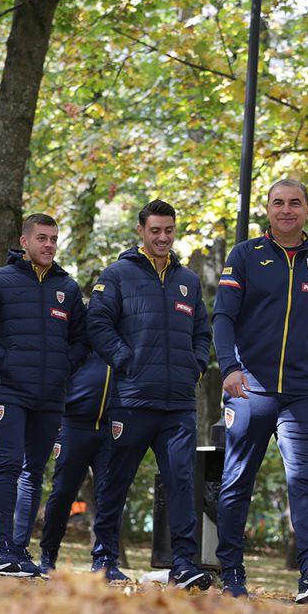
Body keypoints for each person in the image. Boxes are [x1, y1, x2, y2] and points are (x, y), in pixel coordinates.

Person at [213, 179, 308, 603]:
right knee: (237, 480)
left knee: (305, 478)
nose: (286, 210)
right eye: (277, 204)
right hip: (250, 387)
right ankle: (231, 571)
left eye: (294, 203)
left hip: (304, 393)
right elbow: (222, 318)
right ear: (267, 211)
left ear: (307, 210)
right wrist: (230, 368)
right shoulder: (245, 256)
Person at [87, 199, 213, 588]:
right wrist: (126, 361)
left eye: (168, 230)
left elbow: (203, 333)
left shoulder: (187, 281)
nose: (162, 237)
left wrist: (195, 364)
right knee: (116, 479)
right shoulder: (119, 275)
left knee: (181, 480)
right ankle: (104, 559)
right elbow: (98, 322)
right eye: (155, 230)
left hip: (177, 404)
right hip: (132, 398)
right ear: (141, 231)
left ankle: (183, 564)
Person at [0, 213, 88, 576]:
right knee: (9, 464)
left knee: (34, 471)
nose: (49, 245)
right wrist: (6, 362)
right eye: (42, 238)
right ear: (24, 242)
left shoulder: (67, 288)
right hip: (10, 391)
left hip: (50, 396)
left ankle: (21, 550)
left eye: (53, 238)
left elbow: (82, 340)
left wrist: (62, 368)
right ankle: (3, 549)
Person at [26, 350, 112, 574]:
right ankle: (48, 555)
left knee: (110, 495)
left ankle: (104, 560)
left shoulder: (120, 333)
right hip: (73, 424)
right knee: (63, 492)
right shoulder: (77, 332)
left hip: (111, 427)